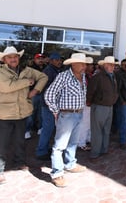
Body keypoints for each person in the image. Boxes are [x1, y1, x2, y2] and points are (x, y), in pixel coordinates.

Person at [0, 46, 48, 184]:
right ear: (4, 59)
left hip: (21, 112)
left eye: (15, 56)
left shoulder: (26, 70)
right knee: (1, 144)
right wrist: (27, 82)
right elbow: (6, 87)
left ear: (18, 58)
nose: (13, 59)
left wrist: (35, 90)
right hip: (4, 114)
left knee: (20, 141)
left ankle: (19, 162)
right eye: (10, 57)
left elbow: (43, 76)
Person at [45, 53, 91, 187]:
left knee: (73, 142)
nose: (84, 66)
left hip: (78, 113)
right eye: (82, 64)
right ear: (73, 64)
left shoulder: (82, 76)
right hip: (66, 115)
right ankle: (57, 173)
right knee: (59, 146)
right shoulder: (63, 76)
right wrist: (55, 111)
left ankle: (70, 164)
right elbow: (49, 94)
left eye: (85, 64)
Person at [86, 56, 119, 160]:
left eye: (113, 65)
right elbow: (90, 92)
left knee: (106, 130)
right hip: (100, 106)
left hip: (109, 106)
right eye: (110, 65)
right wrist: (91, 102)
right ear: (104, 65)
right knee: (97, 131)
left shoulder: (113, 76)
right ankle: (95, 153)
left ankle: (104, 149)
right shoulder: (98, 77)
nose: (112, 67)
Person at [35, 52, 63, 160]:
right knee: (47, 128)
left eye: (59, 59)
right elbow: (45, 89)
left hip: (52, 104)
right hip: (48, 104)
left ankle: (44, 148)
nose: (59, 61)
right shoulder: (48, 71)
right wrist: (50, 103)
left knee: (49, 128)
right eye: (56, 60)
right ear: (51, 61)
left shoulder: (55, 70)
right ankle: (41, 151)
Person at [25, 53, 47, 139]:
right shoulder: (30, 69)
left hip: (43, 93)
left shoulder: (46, 68)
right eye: (38, 58)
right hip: (33, 93)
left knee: (41, 113)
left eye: (42, 58)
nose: (40, 60)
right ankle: (27, 130)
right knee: (30, 112)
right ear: (35, 60)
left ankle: (40, 128)